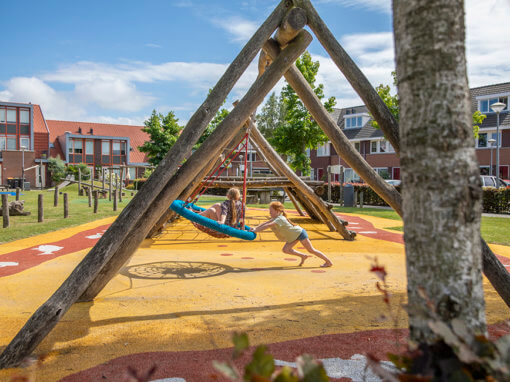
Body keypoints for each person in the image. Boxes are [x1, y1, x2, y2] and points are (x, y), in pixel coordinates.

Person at [251, 201, 333, 267]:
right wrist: (255, 228)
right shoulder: (275, 218)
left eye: (271, 211)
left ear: (277, 211)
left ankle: (328, 262)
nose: (269, 213)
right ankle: (303, 256)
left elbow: (268, 225)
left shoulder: (280, 219)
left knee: (311, 250)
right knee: (285, 250)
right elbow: (265, 222)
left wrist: (256, 230)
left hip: (299, 233)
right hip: (293, 237)